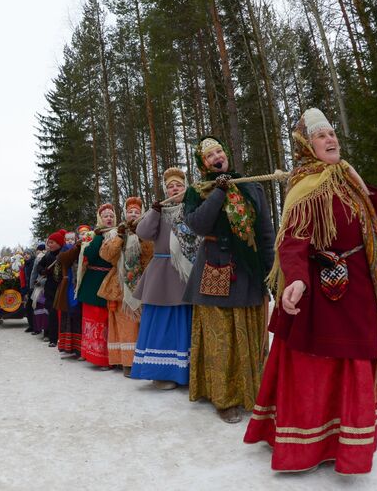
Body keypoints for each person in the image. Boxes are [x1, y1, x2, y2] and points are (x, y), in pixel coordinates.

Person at [243, 108, 377, 474]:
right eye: (322, 136)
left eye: (332, 134)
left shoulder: (345, 179)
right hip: (321, 290)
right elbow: (292, 241)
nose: (331, 139)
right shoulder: (306, 185)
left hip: (357, 285)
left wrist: (357, 177)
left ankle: (349, 440)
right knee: (317, 363)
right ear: (307, 146)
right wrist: (295, 279)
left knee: (356, 360)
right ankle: (307, 443)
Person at [183, 136, 276, 423]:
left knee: (249, 333)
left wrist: (271, 272)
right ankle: (224, 398)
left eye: (219, 151)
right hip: (216, 267)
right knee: (220, 337)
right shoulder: (197, 191)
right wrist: (219, 192)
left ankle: (256, 391)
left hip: (248, 270)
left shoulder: (251, 186)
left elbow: (265, 232)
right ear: (203, 164)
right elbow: (197, 224)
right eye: (209, 156)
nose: (216, 157)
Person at [130, 169, 199, 389]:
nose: (174, 189)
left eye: (179, 185)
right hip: (161, 272)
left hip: (185, 270)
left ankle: (183, 371)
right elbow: (143, 232)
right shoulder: (159, 213)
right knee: (160, 322)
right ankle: (161, 372)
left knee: (182, 321)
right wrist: (153, 212)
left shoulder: (192, 208)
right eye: (170, 186)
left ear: (185, 187)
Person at [98, 198, 154, 376]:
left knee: (141, 323)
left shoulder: (148, 231)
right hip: (120, 284)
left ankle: (143, 358)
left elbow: (150, 253)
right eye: (130, 212)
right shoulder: (114, 233)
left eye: (137, 212)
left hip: (143, 282)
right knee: (125, 324)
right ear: (125, 214)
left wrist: (141, 234)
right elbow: (106, 255)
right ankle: (127, 362)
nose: (133, 215)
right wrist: (120, 237)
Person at [75, 204, 117, 369]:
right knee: (92, 320)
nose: (108, 218)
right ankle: (91, 355)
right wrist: (99, 237)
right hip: (92, 282)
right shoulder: (92, 236)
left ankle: (105, 358)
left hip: (110, 280)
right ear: (100, 218)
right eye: (105, 216)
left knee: (105, 321)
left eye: (111, 216)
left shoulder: (119, 234)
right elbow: (89, 256)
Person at [53, 225, 90, 358]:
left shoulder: (81, 249)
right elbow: (66, 258)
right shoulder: (64, 252)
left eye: (72, 239)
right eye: (67, 239)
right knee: (69, 313)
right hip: (68, 288)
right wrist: (76, 247)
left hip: (78, 286)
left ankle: (79, 348)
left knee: (77, 315)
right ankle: (68, 346)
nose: (69, 242)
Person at [35, 230, 66, 347]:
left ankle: (62, 337)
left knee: (61, 313)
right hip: (50, 288)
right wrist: (42, 271)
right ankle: (53, 338)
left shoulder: (64, 253)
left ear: (59, 243)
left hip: (62, 286)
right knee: (52, 313)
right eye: (49, 242)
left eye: (52, 242)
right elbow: (39, 266)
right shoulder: (48, 255)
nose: (49, 245)